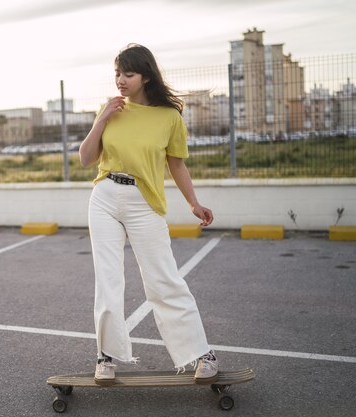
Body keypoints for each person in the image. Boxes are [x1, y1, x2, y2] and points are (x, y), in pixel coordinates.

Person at [79, 44, 218, 385]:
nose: (121, 81)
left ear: (146, 75)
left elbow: (176, 164)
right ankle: (106, 357)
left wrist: (193, 203)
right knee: (108, 280)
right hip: (105, 197)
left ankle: (202, 354)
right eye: (117, 74)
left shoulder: (169, 117)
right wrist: (101, 119)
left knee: (163, 279)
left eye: (128, 74)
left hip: (144, 202)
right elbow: (86, 158)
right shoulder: (110, 109)